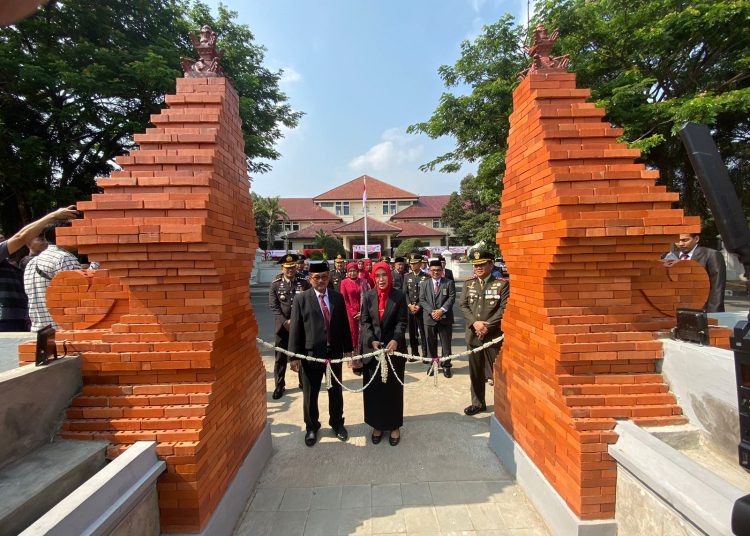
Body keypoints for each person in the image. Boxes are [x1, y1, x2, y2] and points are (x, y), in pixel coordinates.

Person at [289, 261, 353, 447]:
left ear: (329, 277)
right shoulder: (302, 299)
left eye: (324, 277)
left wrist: (348, 349)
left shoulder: (337, 298)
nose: (321, 280)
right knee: (311, 394)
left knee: (335, 391)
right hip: (311, 355)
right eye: (317, 277)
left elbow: (343, 326)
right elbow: (296, 330)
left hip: (333, 354)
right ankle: (311, 426)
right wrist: (294, 356)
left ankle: (337, 423)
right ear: (310, 279)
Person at [360, 262, 408, 446]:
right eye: (377, 275)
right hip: (373, 350)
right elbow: (365, 322)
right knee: (374, 390)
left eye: (384, 275)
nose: (381, 279)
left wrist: (396, 339)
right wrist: (371, 339)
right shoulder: (369, 296)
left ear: (390, 276)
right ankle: (377, 425)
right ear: (373, 276)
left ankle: (394, 425)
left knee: (393, 390)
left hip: (393, 350)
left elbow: (402, 321)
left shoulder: (399, 296)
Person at [459, 250, 510, 415]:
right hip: (474, 335)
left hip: (493, 336)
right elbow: (463, 305)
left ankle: (501, 407)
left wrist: (487, 326)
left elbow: (504, 308)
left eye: (481, 264)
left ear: (490, 264)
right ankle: (478, 403)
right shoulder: (468, 283)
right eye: (475, 265)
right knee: (476, 372)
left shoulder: (501, 283)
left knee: (498, 374)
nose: (478, 267)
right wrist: (475, 323)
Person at [24, 223, 81, 331]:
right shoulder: (64, 258)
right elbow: (80, 293)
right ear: (64, 235)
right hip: (60, 330)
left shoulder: (32, 262)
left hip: (39, 330)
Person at [268, 254, 310, 399]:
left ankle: (303, 382)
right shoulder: (275, 284)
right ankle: (279, 385)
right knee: (280, 358)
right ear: (282, 268)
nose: (291, 270)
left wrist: (296, 321)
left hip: (300, 327)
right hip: (282, 327)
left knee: (301, 355)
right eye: (287, 268)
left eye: (292, 267)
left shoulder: (304, 283)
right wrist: (285, 322)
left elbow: (308, 303)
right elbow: (274, 307)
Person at [664, 233, 726, 312]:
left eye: (685, 240)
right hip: (677, 309)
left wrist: (714, 314)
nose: (680, 244)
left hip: (702, 309)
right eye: (677, 240)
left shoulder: (711, 255)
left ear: (696, 239)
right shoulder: (670, 256)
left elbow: (717, 287)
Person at [0, 205, 78, 262]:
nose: (45, 241)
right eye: (40, 237)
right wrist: (53, 216)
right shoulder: (63, 259)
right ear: (28, 244)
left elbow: (21, 236)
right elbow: (20, 237)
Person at [420, 258, 456, 378]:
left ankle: (446, 366)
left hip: (445, 318)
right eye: (433, 270)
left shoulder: (448, 282)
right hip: (429, 319)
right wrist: (432, 311)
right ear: (429, 271)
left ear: (442, 271)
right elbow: (422, 299)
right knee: (431, 343)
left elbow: (451, 298)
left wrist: (441, 311)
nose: (436, 272)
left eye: (438, 270)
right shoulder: (424, 283)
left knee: (446, 344)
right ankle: (433, 364)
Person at [0, 233, 29, 332]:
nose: (1, 237)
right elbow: (20, 238)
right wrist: (51, 217)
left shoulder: (9, 265)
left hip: (18, 318)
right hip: (4, 320)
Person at [340, 261, 363, 374]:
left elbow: (367, 297)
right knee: (353, 337)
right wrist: (354, 313)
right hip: (350, 315)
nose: (352, 273)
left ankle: (362, 361)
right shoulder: (344, 282)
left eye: (354, 270)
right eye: (350, 271)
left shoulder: (363, 282)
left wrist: (362, 312)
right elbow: (344, 300)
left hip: (363, 314)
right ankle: (355, 364)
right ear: (347, 272)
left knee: (362, 337)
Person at [404, 253, 429, 357]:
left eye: (415, 263)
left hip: (421, 309)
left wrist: (418, 305)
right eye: (411, 264)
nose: (412, 266)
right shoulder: (407, 277)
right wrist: (409, 305)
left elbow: (426, 294)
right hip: (410, 309)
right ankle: (414, 353)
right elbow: (404, 293)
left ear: (420, 263)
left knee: (423, 333)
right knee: (412, 332)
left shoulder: (426, 277)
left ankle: (425, 354)